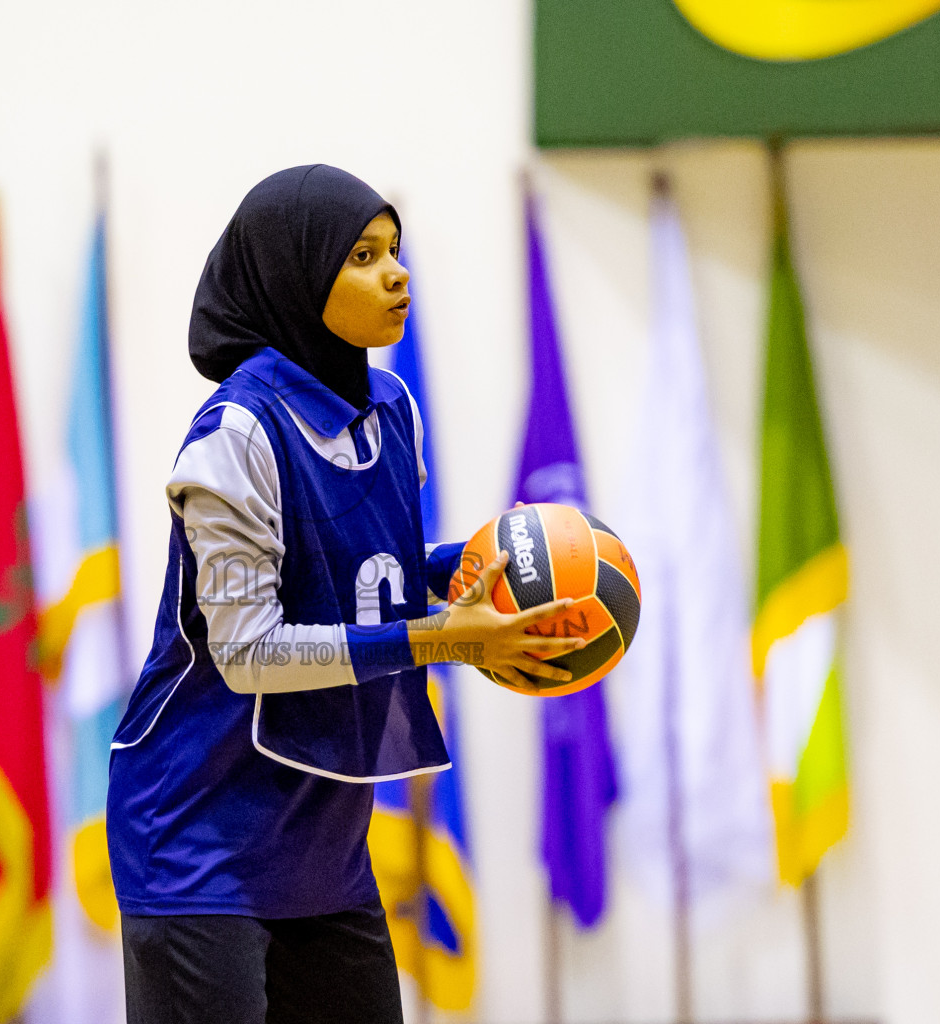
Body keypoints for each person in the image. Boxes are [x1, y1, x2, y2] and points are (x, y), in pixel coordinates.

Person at [107, 164, 587, 1024]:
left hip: (321, 841)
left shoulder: (392, 407)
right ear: (295, 276)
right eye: (363, 256)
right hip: (197, 839)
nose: (397, 273)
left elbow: (376, 565)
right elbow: (250, 652)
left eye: (395, 251)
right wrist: (444, 639)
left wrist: (484, 563)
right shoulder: (234, 436)